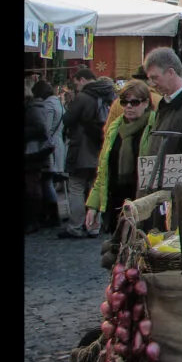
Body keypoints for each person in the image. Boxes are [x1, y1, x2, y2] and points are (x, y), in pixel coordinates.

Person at [84, 80, 157, 236]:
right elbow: (104, 169)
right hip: (116, 198)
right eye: (124, 102)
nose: (128, 106)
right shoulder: (115, 128)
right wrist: (94, 205)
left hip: (142, 200)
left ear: (145, 103)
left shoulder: (155, 126)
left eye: (134, 102)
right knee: (116, 249)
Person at [60, 68, 117, 239]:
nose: (76, 85)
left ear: (83, 79)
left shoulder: (84, 97)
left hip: (82, 148)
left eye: (77, 81)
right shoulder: (107, 96)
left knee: (76, 187)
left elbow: (68, 119)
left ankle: (76, 226)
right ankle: (93, 226)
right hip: (100, 146)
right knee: (95, 186)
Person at [25, 81, 66, 234]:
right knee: (46, 181)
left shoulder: (46, 106)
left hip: (46, 146)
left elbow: (45, 128)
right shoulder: (56, 103)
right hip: (55, 144)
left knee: (45, 181)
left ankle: (50, 215)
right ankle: (50, 214)